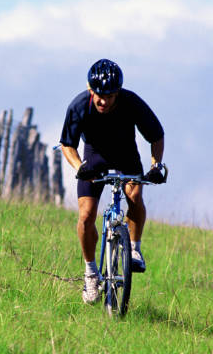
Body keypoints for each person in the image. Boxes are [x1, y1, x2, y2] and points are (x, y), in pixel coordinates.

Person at [59, 59, 166, 304]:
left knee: (135, 197)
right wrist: (79, 168)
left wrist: (155, 166)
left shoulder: (132, 103)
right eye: (99, 95)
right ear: (90, 89)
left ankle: (134, 248)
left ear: (118, 92)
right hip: (94, 158)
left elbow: (156, 136)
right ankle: (90, 274)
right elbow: (67, 145)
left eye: (110, 95)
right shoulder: (79, 106)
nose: (104, 101)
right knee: (86, 215)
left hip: (126, 155)